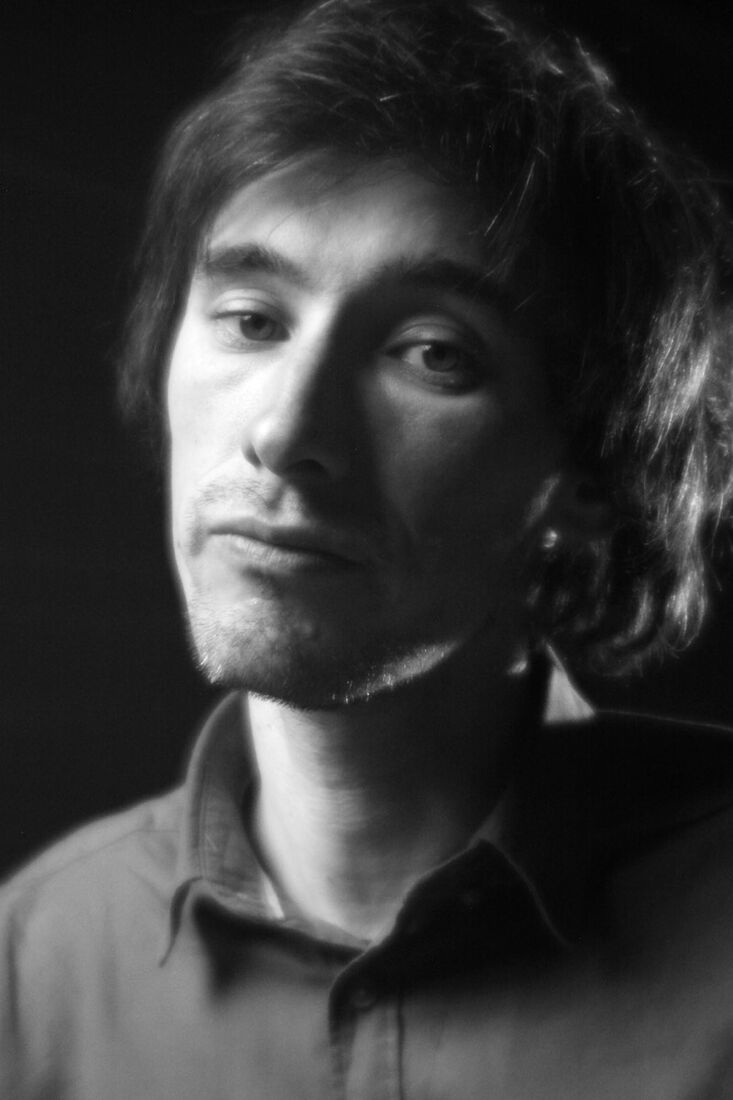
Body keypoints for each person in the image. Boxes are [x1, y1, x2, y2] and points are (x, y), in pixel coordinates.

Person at [3, 0, 733, 1096]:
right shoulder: (31, 970)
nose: (287, 429)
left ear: (591, 481)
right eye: (252, 319)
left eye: (431, 352)